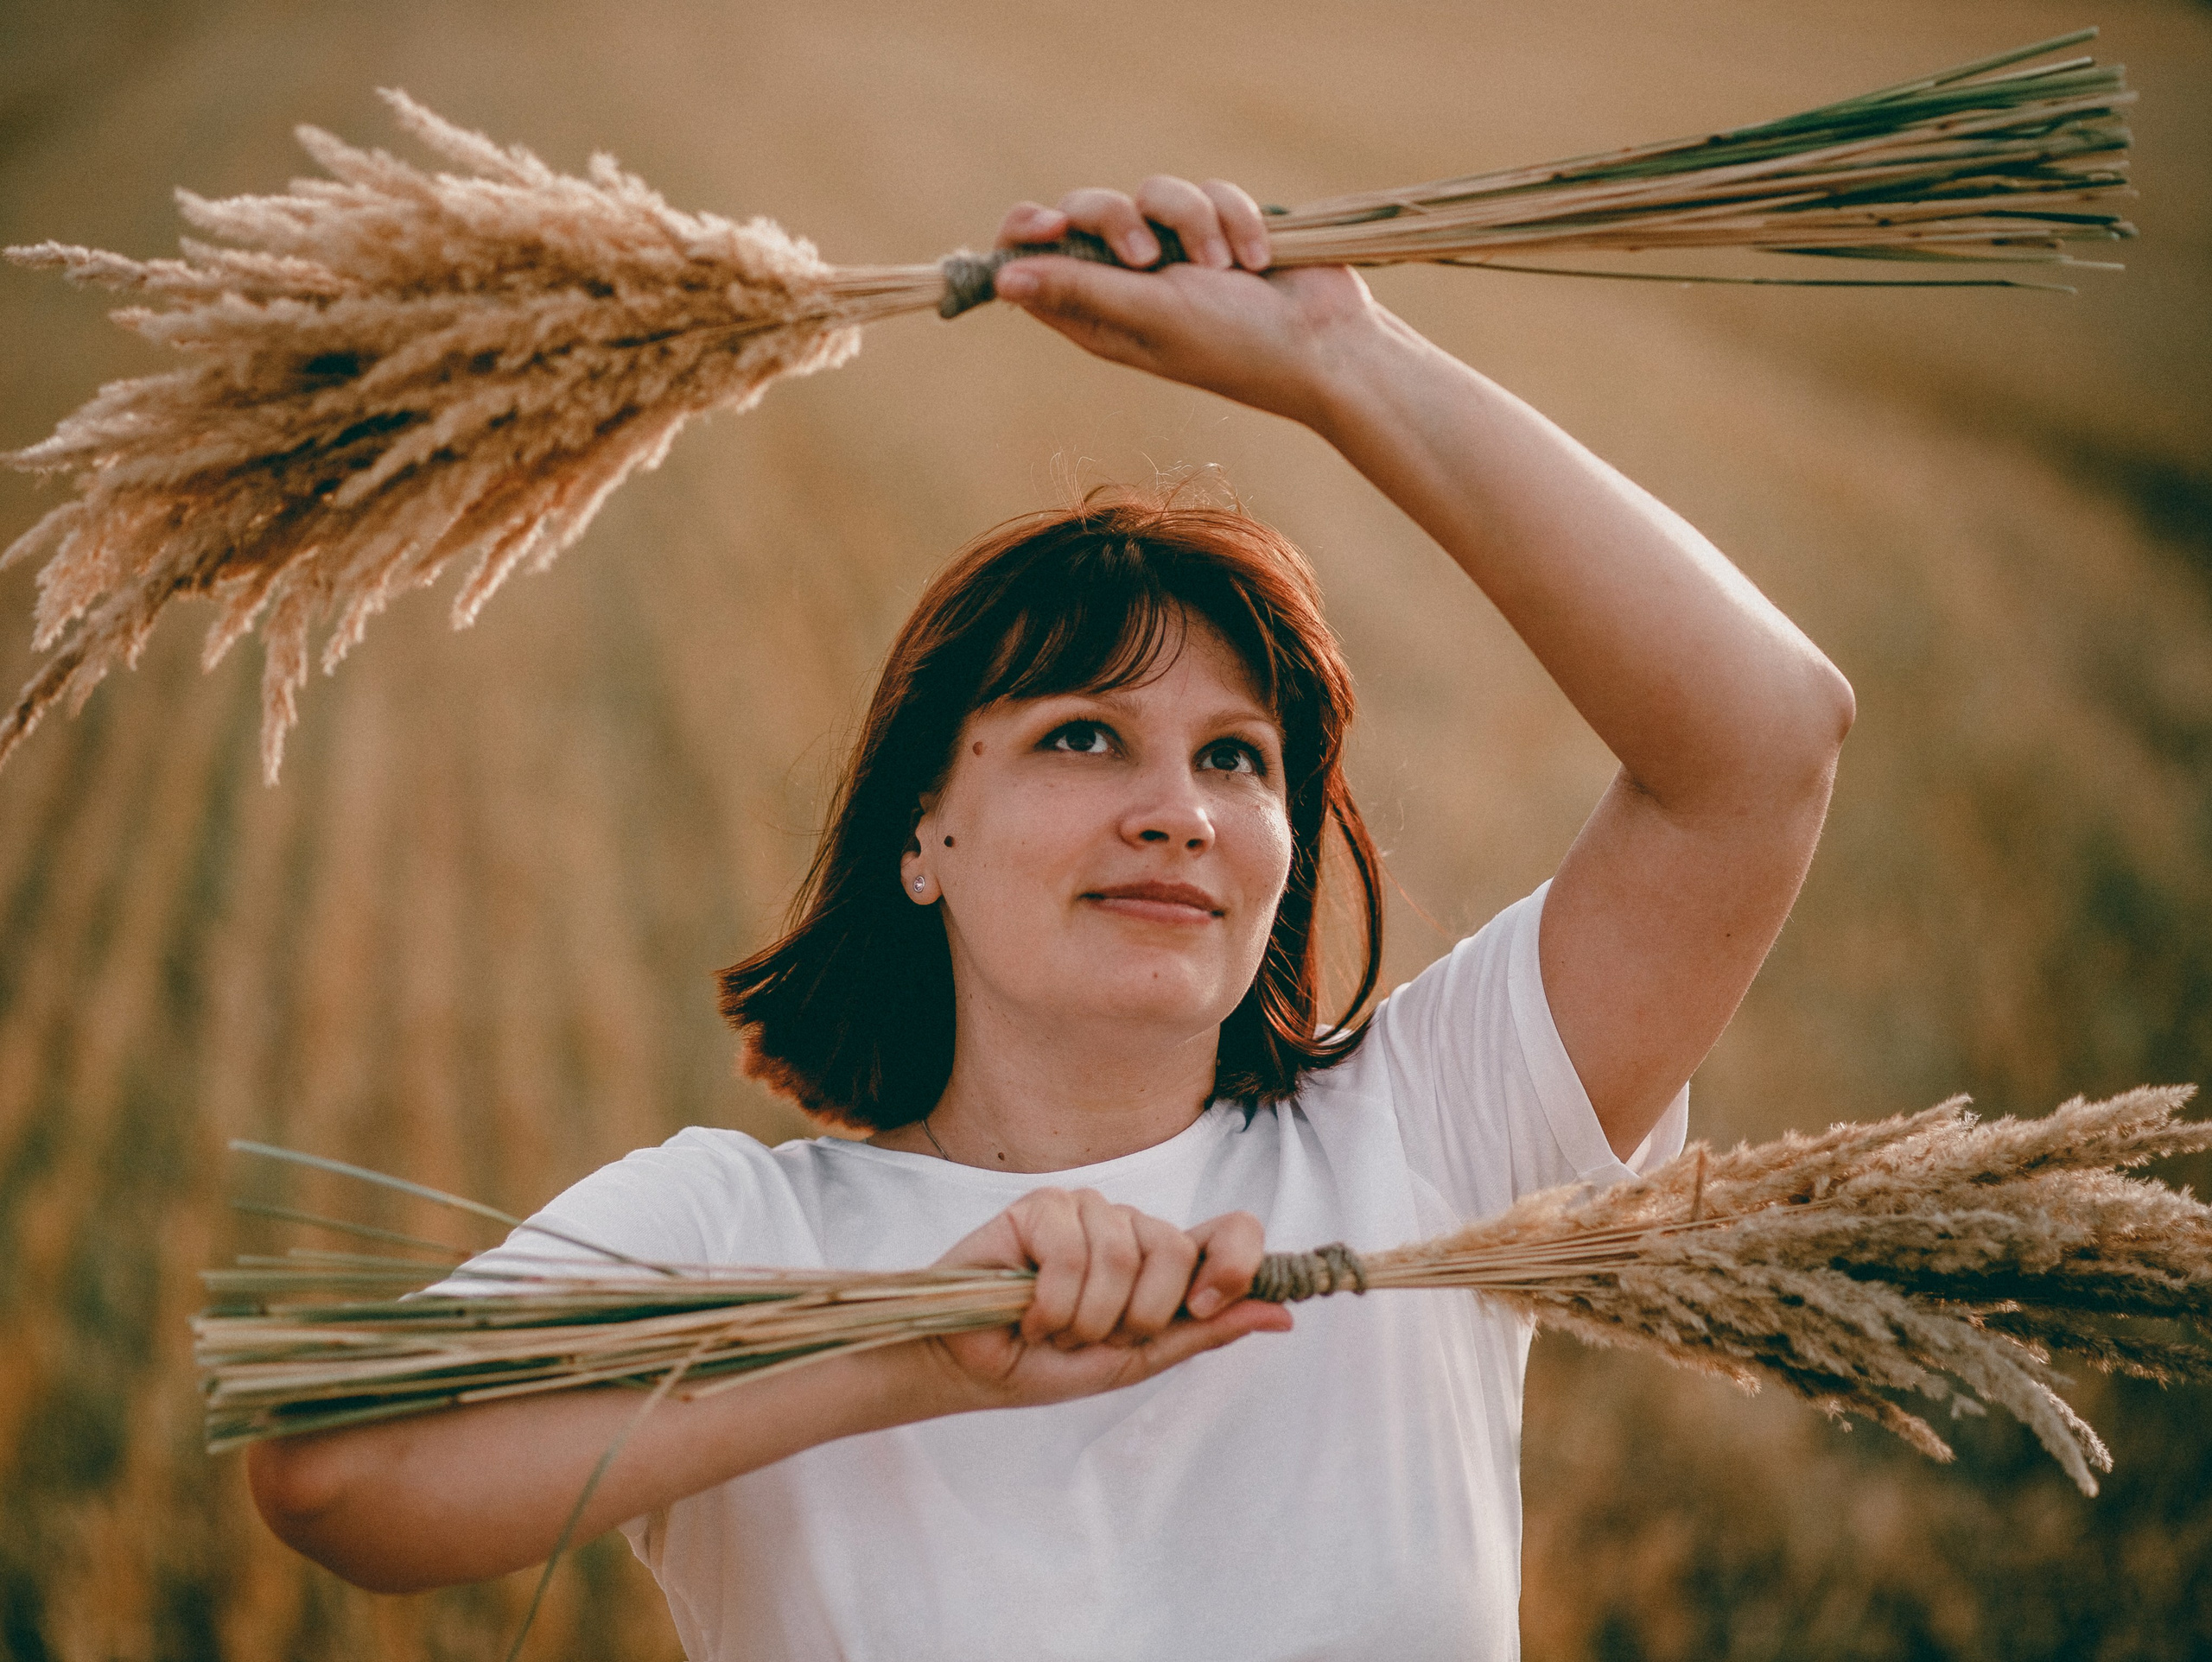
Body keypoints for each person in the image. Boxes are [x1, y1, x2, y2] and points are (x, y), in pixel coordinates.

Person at [245, 175, 1853, 1659]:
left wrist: (1336, 354)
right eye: (1082, 736)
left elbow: (1763, 741)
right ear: (919, 835)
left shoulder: (1429, 1135)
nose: (1181, 809)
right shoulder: (742, 1237)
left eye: (1237, 758)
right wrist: (909, 1360)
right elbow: (337, 1474)